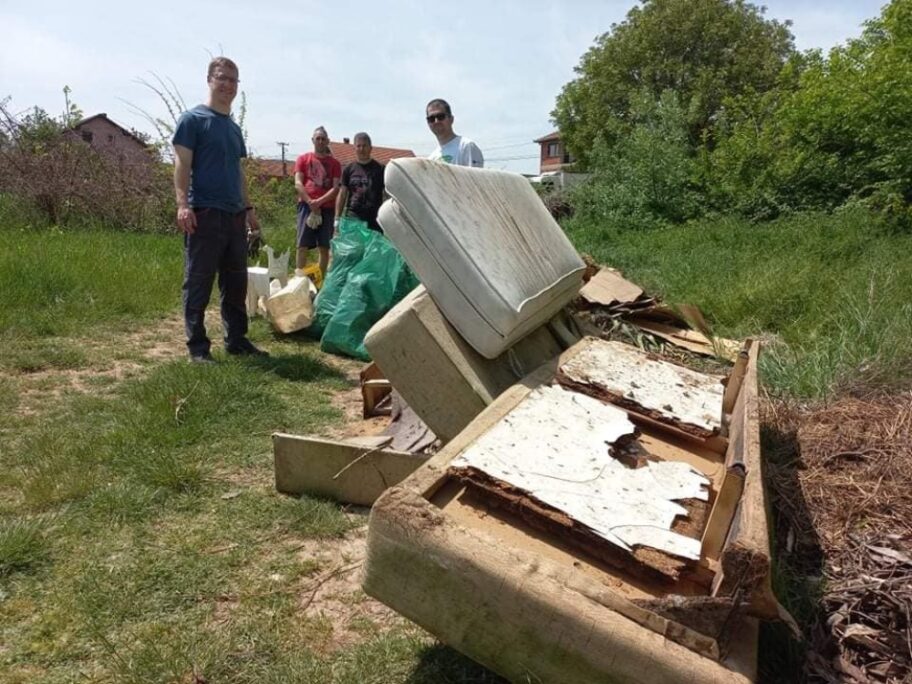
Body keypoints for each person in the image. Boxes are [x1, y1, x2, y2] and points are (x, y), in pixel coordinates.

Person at [172, 56, 267, 364]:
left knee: (235, 282)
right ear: (210, 80)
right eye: (222, 78)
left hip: (235, 215)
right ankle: (197, 349)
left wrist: (249, 209)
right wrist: (182, 205)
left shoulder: (233, 129)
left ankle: (237, 340)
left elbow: (237, 172)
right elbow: (181, 165)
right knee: (199, 280)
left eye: (233, 80)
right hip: (204, 213)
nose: (228, 84)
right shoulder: (192, 121)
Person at [294, 127, 341, 274]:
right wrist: (310, 203)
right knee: (302, 246)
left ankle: (320, 282)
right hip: (306, 207)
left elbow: (336, 189)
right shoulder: (303, 159)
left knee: (324, 247)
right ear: (313, 140)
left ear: (327, 141)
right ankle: (299, 280)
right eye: (318, 138)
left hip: (327, 208)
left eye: (323, 138)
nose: (320, 141)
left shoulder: (335, 163)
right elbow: (298, 183)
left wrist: (318, 202)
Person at [335, 132, 385, 233]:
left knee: (372, 249)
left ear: (370, 148)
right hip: (353, 218)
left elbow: (387, 195)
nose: (361, 149)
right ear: (355, 148)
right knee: (353, 248)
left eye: (364, 146)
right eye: (359, 146)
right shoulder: (348, 169)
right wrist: (337, 219)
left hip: (374, 220)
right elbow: (342, 194)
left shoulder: (381, 169)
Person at [426, 98, 484, 168]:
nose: (436, 121)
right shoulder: (431, 158)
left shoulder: (466, 146)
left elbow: (476, 178)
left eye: (440, 117)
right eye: (431, 119)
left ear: (451, 119)